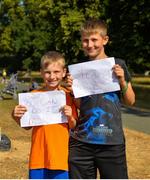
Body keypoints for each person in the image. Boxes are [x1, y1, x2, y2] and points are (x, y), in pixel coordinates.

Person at [67, 19, 135, 179]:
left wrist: (122, 81)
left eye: (94, 40)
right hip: (82, 141)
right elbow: (81, 106)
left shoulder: (118, 64)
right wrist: (72, 91)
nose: (89, 44)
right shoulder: (78, 69)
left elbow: (130, 101)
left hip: (111, 142)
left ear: (105, 40)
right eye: (85, 40)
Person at [12, 51, 78, 179]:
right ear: (41, 72)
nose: (52, 76)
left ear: (64, 72)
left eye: (56, 72)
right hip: (38, 158)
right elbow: (26, 126)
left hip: (61, 159)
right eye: (48, 72)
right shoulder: (33, 96)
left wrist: (70, 116)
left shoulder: (68, 96)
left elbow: (74, 125)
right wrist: (16, 115)